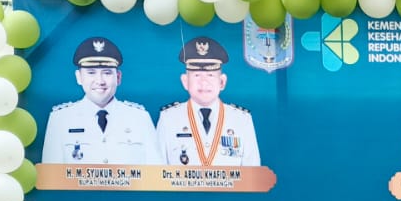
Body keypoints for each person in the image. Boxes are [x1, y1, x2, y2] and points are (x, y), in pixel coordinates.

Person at [41, 36, 161, 165]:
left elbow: (155, 172)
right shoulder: (60, 119)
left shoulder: (140, 118)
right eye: (91, 73)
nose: (100, 81)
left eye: (107, 73)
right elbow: (51, 174)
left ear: (118, 77)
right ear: (79, 77)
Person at [156, 36, 261, 167]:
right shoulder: (169, 118)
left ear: (222, 82)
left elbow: (253, 171)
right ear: (185, 81)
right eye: (197, 75)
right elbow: (157, 170)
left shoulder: (241, 120)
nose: (203, 82)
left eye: (210, 75)